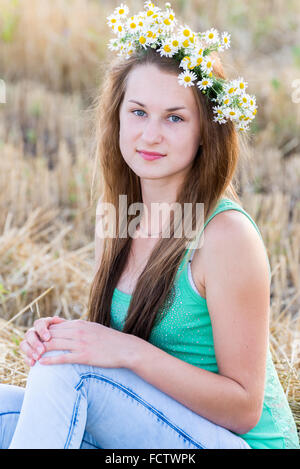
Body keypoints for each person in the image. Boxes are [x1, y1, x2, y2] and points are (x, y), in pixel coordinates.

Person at [0, 2, 299, 450]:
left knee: (67, 378)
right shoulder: (119, 219)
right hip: (160, 426)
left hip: (241, 443)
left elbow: (243, 408)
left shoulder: (225, 237)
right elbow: (111, 357)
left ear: (205, 133)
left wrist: (125, 353)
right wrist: (62, 340)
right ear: (117, 116)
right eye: (138, 112)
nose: (150, 134)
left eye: (175, 118)